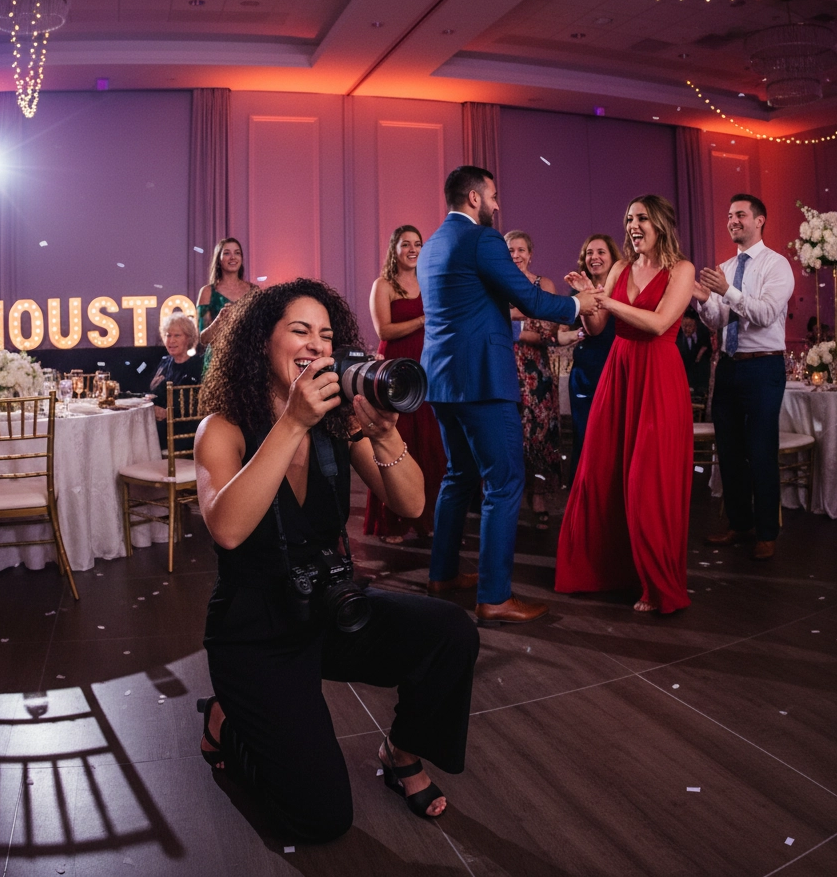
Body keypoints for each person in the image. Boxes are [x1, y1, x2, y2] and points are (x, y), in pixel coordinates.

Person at [193, 278, 479, 842]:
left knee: (450, 631)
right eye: (299, 331)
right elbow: (227, 530)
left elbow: (413, 502)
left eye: (326, 336)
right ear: (260, 343)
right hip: (257, 632)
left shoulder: (336, 425)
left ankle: (400, 754)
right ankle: (224, 721)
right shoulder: (221, 429)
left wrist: (386, 433)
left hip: (328, 610)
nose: (315, 345)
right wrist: (292, 421)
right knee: (321, 818)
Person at [417, 166, 589, 624]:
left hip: (440, 379)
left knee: (459, 477)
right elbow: (530, 299)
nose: (497, 204)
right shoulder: (482, 240)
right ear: (474, 198)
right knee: (505, 481)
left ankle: (442, 574)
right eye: (493, 196)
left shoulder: (431, 245)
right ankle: (495, 596)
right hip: (482, 380)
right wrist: (578, 305)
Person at [555, 196, 695, 613]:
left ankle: (657, 582)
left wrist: (607, 301)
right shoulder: (619, 268)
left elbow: (658, 323)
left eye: (641, 218)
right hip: (619, 372)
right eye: (629, 218)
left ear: (661, 223)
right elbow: (598, 326)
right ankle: (604, 571)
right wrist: (586, 301)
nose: (632, 225)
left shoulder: (681, 270)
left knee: (647, 480)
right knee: (601, 471)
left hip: (658, 375)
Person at [692, 194, 795, 562]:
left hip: (764, 367)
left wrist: (726, 291)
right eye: (729, 215)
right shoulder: (725, 266)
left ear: (760, 220)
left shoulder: (776, 265)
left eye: (740, 214)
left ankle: (767, 532)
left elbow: (766, 313)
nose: (732, 220)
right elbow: (719, 320)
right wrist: (705, 300)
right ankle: (740, 524)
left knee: (760, 450)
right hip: (730, 365)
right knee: (730, 451)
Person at [364, 225, 447, 544]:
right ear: (393, 250)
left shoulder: (429, 280)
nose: (413, 249)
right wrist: (422, 321)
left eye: (417, 244)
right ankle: (392, 523)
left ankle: (428, 519)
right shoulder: (382, 285)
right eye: (405, 244)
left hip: (427, 367)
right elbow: (384, 331)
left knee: (431, 442)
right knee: (399, 441)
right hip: (396, 369)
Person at [504, 229, 561, 531]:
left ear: (531, 253)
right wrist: (528, 323)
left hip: (537, 370)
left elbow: (550, 329)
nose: (516, 255)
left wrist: (513, 323)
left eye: (521, 250)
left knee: (539, 433)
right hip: (505, 367)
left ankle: (538, 495)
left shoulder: (545, 284)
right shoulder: (497, 285)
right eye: (510, 250)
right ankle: (509, 497)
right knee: (510, 434)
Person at [557, 234, 621, 484]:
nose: (594, 257)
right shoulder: (576, 294)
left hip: (619, 370)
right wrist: (581, 331)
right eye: (589, 253)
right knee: (585, 438)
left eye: (601, 252)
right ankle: (582, 500)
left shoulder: (625, 289)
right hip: (586, 374)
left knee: (616, 438)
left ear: (613, 257)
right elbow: (561, 337)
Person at [196, 237, 257, 374]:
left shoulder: (255, 291)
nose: (233, 257)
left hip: (249, 362)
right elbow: (203, 338)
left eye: (237, 253)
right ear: (219, 259)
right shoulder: (207, 292)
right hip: (218, 364)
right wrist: (219, 319)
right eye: (227, 253)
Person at [147, 312, 202, 449]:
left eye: (177, 335)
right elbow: (154, 395)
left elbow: (198, 406)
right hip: (161, 428)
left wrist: (167, 413)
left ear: (189, 339)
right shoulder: (165, 363)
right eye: (168, 335)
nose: (171, 341)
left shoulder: (197, 366)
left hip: (185, 433)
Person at [677, 310, 712, 401]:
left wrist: (700, 354)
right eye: (684, 326)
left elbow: (707, 351)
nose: (686, 329)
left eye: (689, 326)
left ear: (695, 326)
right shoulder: (677, 334)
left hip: (700, 375)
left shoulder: (703, 332)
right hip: (682, 373)